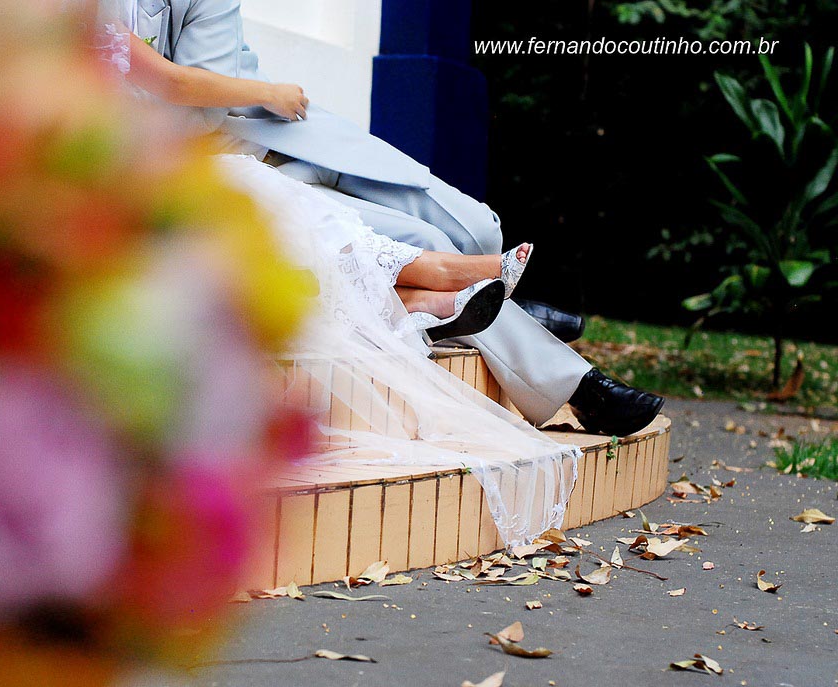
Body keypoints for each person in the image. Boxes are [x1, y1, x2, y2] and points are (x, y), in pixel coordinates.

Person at [85, 1, 582, 546]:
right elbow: (174, 87)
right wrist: (268, 93)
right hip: (153, 165)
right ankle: (463, 298)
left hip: (240, 145)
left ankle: (445, 297)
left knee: (462, 225)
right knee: (290, 219)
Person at [106, 0, 665, 436]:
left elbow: (195, 83)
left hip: (272, 134)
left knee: (477, 229)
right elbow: (182, 98)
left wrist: (265, 100)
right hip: (212, 174)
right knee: (421, 248)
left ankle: (510, 306)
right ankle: (579, 385)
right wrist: (266, 92)